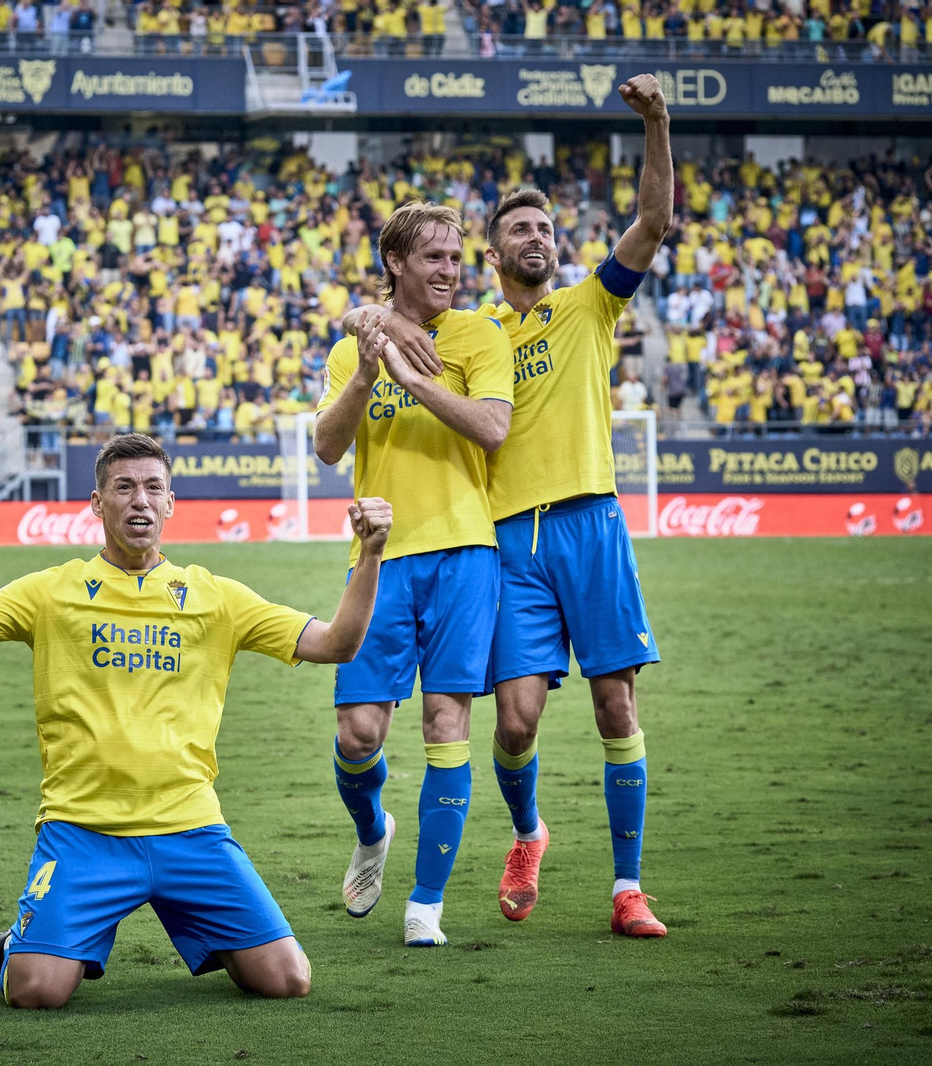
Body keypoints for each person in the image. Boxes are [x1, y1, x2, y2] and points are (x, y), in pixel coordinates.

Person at [0, 433, 393, 1008]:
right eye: (123, 487)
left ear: (171, 502)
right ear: (98, 504)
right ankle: (23, 944)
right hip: (84, 830)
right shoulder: (51, 592)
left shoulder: (217, 597)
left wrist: (370, 554)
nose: (139, 499)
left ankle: (197, 932)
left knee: (287, 981)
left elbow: (336, 644)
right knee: (35, 992)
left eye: (152, 487)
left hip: (191, 829)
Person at [351, 73, 673, 939]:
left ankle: (627, 890)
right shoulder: (473, 330)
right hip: (505, 541)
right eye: (521, 230)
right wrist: (374, 317)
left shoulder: (591, 303)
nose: (538, 238)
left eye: (547, 229)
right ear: (491, 255)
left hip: (591, 521)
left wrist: (656, 122)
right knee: (517, 723)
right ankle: (528, 833)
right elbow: (380, 313)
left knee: (616, 707)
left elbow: (653, 222)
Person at [313, 201, 513, 947]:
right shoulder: (353, 348)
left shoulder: (479, 334)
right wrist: (370, 372)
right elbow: (327, 447)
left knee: (445, 722)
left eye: (456, 258)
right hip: (381, 555)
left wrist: (411, 375)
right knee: (358, 731)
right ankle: (373, 829)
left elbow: (493, 428)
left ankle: (425, 904)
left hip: (466, 551)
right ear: (396, 262)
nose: (449, 270)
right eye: (433, 256)